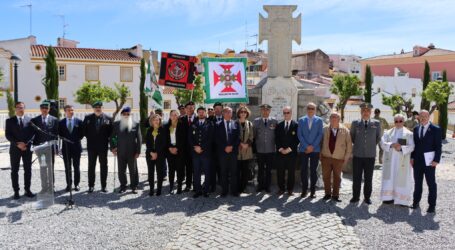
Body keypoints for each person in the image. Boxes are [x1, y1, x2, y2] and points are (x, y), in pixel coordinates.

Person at [380, 114, 415, 206]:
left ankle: (401, 200)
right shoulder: (388, 132)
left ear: (403, 122)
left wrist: (401, 148)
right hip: (390, 160)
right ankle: (388, 198)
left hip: (402, 160)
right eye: (396, 121)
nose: (398, 123)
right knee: (390, 177)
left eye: (400, 121)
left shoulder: (409, 134)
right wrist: (392, 145)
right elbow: (382, 143)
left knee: (402, 179)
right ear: (394, 122)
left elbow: (412, 146)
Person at [350, 102, 381, 204]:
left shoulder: (376, 124)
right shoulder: (355, 123)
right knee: (356, 177)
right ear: (361, 112)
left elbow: (377, 138)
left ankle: (367, 197)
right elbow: (352, 137)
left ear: (370, 112)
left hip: (370, 156)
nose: (365, 112)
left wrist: (369, 147)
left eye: (367, 111)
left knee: (368, 178)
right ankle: (355, 196)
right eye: (363, 110)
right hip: (358, 155)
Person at [411, 110, 442, 213]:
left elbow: (438, 146)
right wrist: (412, 157)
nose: (423, 118)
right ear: (418, 117)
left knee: (431, 184)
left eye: (425, 116)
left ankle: (432, 205)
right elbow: (414, 145)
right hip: (417, 162)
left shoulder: (436, 129)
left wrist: (436, 160)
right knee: (417, 183)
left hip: (430, 162)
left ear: (429, 117)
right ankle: (415, 202)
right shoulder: (415, 129)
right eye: (421, 116)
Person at [5, 102, 35, 199]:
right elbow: (8, 135)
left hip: (27, 149)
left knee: (28, 170)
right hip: (15, 149)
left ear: (24, 108)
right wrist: (18, 144)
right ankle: (16, 191)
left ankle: (27, 189)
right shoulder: (9, 121)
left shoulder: (30, 120)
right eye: (18, 107)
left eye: (22, 107)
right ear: (15, 109)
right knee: (14, 170)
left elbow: (33, 134)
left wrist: (26, 144)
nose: (20, 109)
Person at [320, 112, 352, 202]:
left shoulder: (345, 130)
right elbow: (320, 142)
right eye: (332, 117)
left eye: (336, 117)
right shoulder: (324, 129)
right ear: (329, 119)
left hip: (339, 158)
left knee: (337, 177)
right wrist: (320, 155)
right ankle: (327, 194)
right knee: (326, 176)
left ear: (339, 119)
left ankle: (335, 195)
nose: (333, 119)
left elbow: (349, 145)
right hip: (326, 157)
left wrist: (346, 158)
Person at [82, 101, 113, 193]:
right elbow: (84, 131)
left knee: (104, 166)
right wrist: (91, 138)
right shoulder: (88, 118)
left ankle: (104, 186)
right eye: (96, 107)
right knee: (91, 166)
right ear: (93, 108)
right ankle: (91, 186)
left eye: (99, 107)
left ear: (102, 108)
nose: (98, 109)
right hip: (91, 147)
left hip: (103, 147)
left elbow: (111, 133)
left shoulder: (108, 118)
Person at [111, 107, 141, 194]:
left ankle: (134, 186)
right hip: (120, 151)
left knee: (133, 170)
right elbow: (113, 137)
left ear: (130, 115)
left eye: (128, 114)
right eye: (124, 114)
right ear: (121, 115)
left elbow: (139, 139)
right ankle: (123, 186)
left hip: (132, 152)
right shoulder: (116, 124)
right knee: (121, 170)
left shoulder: (136, 124)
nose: (126, 116)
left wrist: (138, 151)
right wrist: (113, 148)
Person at [31, 101, 59, 193]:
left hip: (50, 148)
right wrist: (34, 147)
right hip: (41, 149)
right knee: (43, 167)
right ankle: (44, 187)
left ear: (49, 109)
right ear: (40, 109)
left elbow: (56, 135)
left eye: (46, 108)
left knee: (51, 167)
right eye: (43, 108)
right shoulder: (35, 120)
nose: (44, 110)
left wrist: (56, 148)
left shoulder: (54, 120)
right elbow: (33, 135)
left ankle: (52, 186)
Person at [297, 102, 323, 198]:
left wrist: (312, 146)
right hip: (304, 149)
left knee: (313, 171)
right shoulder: (301, 120)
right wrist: (306, 146)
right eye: (309, 108)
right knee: (303, 170)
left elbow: (320, 134)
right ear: (306, 109)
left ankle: (313, 191)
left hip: (315, 149)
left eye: (312, 108)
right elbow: (300, 135)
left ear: (315, 110)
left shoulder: (319, 120)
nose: (310, 110)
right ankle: (304, 190)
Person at [189, 107, 214, 198]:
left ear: (205, 113)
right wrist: (195, 147)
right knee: (196, 172)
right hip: (196, 153)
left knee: (207, 172)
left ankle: (206, 190)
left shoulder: (210, 124)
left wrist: (202, 147)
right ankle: (198, 190)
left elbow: (211, 138)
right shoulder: (193, 124)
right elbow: (190, 138)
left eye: (202, 112)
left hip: (206, 152)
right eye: (199, 112)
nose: (201, 113)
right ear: (197, 113)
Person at [253, 104, 278, 193]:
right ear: (261, 111)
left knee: (268, 169)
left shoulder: (274, 121)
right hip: (260, 149)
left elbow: (276, 135)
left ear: (270, 111)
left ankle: (267, 186)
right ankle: (260, 186)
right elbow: (254, 135)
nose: (265, 112)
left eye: (267, 110)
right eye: (263, 110)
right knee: (260, 169)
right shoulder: (256, 121)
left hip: (270, 149)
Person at [59, 105, 84, 192]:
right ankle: (68, 185)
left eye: (72, 110)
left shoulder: (79, 122)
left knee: (76, 167)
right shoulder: (61, 123)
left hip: (76, 147)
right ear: (65, 111)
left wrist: (75, 140)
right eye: (69, 110)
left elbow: (82, 134)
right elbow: (60, 135)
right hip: (66, 148)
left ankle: (76, 184)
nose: (71, 112)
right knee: (67, 167)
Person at [216, 107, 240, 197]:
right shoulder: (218, 124)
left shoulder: (235, 124)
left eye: (230, 112)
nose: (228, 113)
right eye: (226, 112)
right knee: (223, 172)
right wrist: (224, 147)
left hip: (233, 152)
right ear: (223, 113)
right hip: (222, 152)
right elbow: (216, 139)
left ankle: (234, 191)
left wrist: (232, 147)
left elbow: (238, 138)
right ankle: (224, 191)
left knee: (234, 172)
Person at [275, 106, 299, 196]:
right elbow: (276, 138)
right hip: (280, 153)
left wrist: (288, 149)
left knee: (291, 172)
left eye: (287, 112)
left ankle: (290, 189)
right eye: (284, 113)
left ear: (291, 113)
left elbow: (297, 139)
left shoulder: (296, 125)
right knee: (280, 172)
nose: (286, 114)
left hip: (291, 153)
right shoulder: (279, 125)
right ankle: (281, 188)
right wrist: (281, 149)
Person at [165, 110, 186, 194]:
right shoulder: (166, 126)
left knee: (180, 169)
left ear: (178, 116)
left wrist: (177, 148)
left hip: (179, 151)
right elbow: (165, 139)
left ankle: (179, 186)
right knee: (171, 170)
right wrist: (170, 148)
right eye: (172, 115)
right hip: (170, 151)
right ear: (170, 116)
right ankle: (171, 186)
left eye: (175, 115)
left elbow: (183, 139)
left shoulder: (182, 125)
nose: (174, 116)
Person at [145, 114, 167, 196]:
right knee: (151, 172)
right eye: (154, 119)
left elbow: (163, 143)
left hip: (160, 154)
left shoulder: (163, 130)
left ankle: (159, 189)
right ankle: (151, 189)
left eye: (157, 119)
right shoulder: (149, 130)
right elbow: (147, 143)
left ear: (160, 120)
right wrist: (151, 152)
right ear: (151, 121)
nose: (156, 121)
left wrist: (157, 153)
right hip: (150, 154)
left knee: (160, 172)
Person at [179, 101, 196, 192]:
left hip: (196, 148)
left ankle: (196, 184)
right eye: (188, 108)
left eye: (191, 107)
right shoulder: (181, 120)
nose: (189, 109)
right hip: (185, 149)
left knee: (196, 168)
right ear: (185, 109)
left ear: (194, 108)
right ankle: (188, 185)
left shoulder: (198, 118)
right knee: (188, 167)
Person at [236, 106, 254, 194]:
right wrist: (240, 143)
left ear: (247, 114)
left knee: (245, 170)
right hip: (238, 151)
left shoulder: (250, 124)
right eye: (241, 112)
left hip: (247, 150)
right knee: (237, 170)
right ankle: (237, 187)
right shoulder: (235, 123)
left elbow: (252, 136)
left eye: (244, 112)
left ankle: (244, 187)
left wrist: (247, 144)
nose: (243, 113)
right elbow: (234, 135)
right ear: (239, 113)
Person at [207, 102, 224, 192]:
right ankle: (212, 186)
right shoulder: (209, 120)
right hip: (212, 150)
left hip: (223, 149)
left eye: (219, 108)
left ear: (222, 109)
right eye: (216, 108)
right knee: (212, 169)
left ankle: (222, 185)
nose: (217, 110)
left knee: (222, 168)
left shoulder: (226, 119)